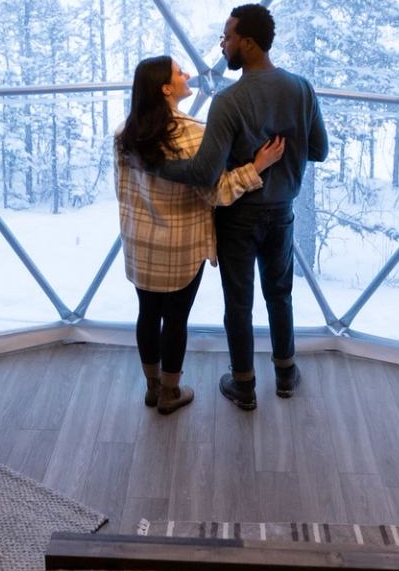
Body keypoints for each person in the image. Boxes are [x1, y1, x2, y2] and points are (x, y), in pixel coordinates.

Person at [152, 4, 328, 411]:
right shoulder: (302, 88)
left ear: (247, 43)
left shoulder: (229, 101)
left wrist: (158, 165)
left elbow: (204, 171)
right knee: (279, 294)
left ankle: (244, 386)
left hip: (239, 216)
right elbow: (318, 149)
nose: (223, 45)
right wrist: (283, 154)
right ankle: (285, 375)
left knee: (239, 302)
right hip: (282, 212)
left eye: (227, 37)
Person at [114, 55, 285, 414]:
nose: (187, 74)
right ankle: (170, 394)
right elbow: (217, 192)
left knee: (147, 314)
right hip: (180, 247)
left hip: (140, 246)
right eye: (179, 72)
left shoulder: (124, 134)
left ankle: (152, 387)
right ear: (165, 88)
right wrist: (257, 167)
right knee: (175, 320)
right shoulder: (191, 134)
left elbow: (123, 192)